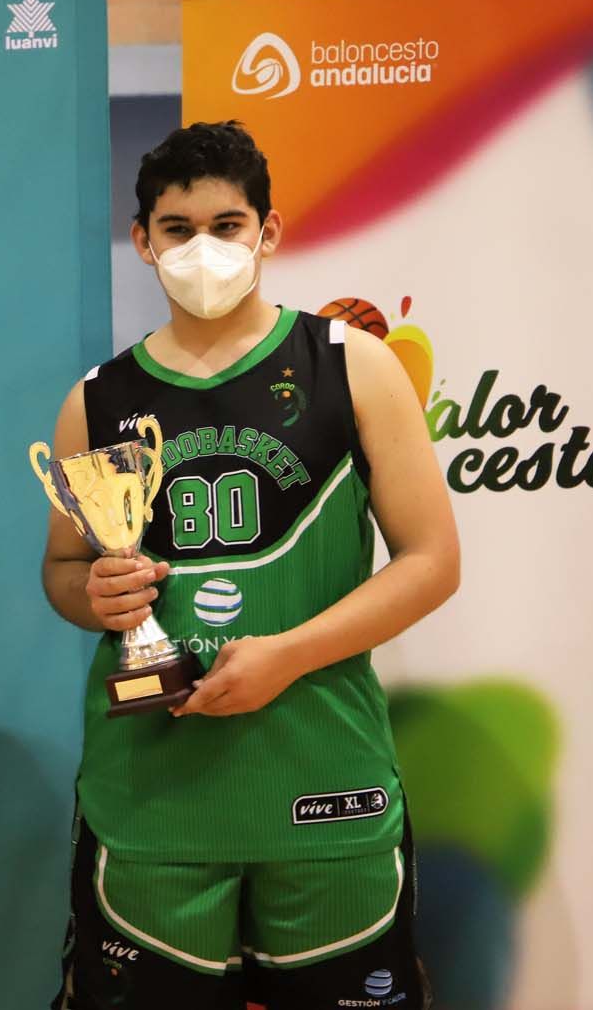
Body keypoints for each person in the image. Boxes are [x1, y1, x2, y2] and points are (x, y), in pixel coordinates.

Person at [41, 121, 459, 1009]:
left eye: (226, 226)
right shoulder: (97, 400)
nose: (203, 249)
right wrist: (95, 593)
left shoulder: (355, 367)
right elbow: (65, 574)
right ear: (143, 240)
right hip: (151, 800)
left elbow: (430, 562)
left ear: (267, 233)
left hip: (323, 790)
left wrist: (289, 655)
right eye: (177, 228)